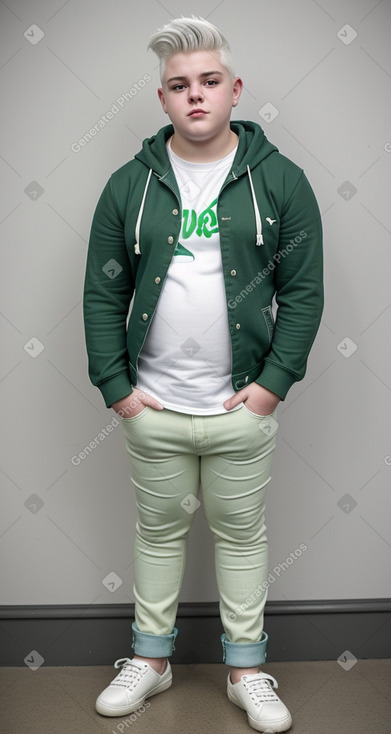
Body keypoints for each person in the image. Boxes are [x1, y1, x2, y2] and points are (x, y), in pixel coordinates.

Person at [83, 16, 323, 733]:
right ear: (162, 99)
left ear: (233, 90)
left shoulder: (280, 181)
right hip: (151, 406)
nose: (195, 96)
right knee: (156, 532)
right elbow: (103, 290)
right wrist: (117, 390)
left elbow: (304, 291)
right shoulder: (127, 186)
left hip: (238, 410)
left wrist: (270, 387)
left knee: (241, 534)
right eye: (179, 86)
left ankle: (246, 671)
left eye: (209, 82)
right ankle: (150, 663)